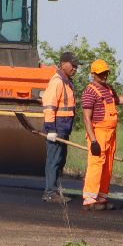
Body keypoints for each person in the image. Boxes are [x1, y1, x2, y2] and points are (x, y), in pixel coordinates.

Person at [80, 58, 123, 210]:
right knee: (96, 165)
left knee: (107, 165)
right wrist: (93, 141)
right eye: (101, 74)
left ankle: (101, 197)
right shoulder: (89, 91)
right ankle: (89, 200)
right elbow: (87, 118)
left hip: (110, 134)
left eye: (106, 73)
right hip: (98, 133)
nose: (104, 76)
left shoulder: (108, 89)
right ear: (93, 74)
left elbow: (118, 100)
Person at [41, 51, 79, 202]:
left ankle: (54, 190)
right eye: (73, 65)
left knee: (60, 160)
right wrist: (51, 129)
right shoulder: (57, 81)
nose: (75, 68)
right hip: (56, 128)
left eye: (76, 66)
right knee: (54, 160)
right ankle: (50, 192)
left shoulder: (67, 81)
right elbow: (49, 106)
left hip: (63, 129)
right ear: (63, 64)